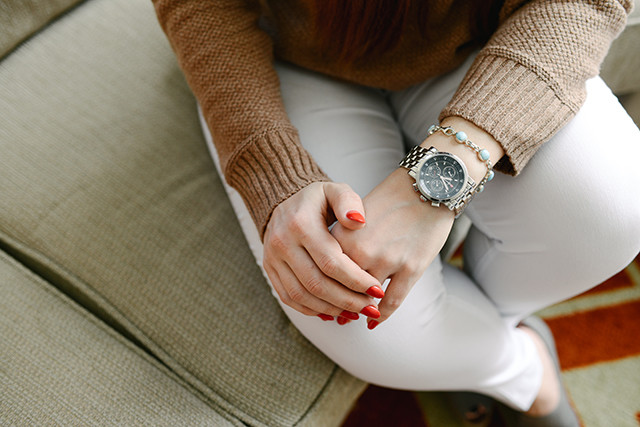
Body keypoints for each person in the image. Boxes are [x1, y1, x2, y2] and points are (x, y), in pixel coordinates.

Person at [153, 0, 640, 424]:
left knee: (616, 214)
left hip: (487, 39)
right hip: (284, 55)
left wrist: (435, 180)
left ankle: (462, 344)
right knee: (372, 326)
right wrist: (272, 173)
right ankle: (523, 371)